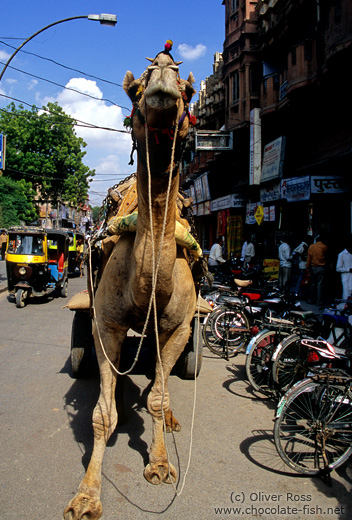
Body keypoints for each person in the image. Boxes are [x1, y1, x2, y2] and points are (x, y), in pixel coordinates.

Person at [306, 233, 328, 308]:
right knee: (320, 285)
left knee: (313, 284)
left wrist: (307, 266)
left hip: (313, 267)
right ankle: (319, 301)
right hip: (321, 267)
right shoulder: (324, 247)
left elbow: (309, 258)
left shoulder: (311, 246)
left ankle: (311, 300)